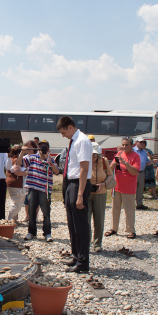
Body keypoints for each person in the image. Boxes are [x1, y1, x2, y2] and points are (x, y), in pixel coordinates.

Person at [57, 116, 92, 272]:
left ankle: (83, 263)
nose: (63, 135)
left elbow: (84, 169)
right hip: (71, 183)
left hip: (79, 184)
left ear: (70, 127)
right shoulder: (74, 141)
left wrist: (80, 194)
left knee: (80, 226)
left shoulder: (82, 141)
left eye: (64, 132)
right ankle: (76, 256)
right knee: (72, 224)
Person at [18, 140, 59, 241]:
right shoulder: (32, 157)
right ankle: (31, 232)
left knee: (46, 212)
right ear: (38, 148)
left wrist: (50, 162)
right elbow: (19, 163)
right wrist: (22, 152)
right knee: (32, 211)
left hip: (45, 190)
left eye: (44, 147)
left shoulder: (51, 159)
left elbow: (57, 171)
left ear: (48, 149)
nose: (42, 149)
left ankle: (47, 233)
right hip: (32, 188)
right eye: (40, 146)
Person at [105, 137, 140, 239]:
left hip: (129, 187)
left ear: (132, 145)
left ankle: (131, 230)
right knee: (115, 209)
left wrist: (125, 163)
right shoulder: (119, 154)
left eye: (126, 145)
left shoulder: (135, 156)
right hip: (117, 186)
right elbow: (110, 169)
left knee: (129, 210)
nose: (124, 147)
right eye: (123, 145)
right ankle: (113, 228)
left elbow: (135, 172)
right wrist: (113, 165)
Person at [88, 142, 113, 252]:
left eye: (95, 155)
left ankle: (98, 244)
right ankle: (86, 242)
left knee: (99, 219)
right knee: (86, 219)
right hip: (87, 193)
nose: (93, 157)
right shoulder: (85, 161)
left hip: (101, 193)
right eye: (91, 154)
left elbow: (110, 175)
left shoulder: (104, 161)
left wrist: (103, 184)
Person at [6, 146, 28, 222]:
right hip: (16, 184)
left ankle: (14, 220)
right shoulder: (16, 160)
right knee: (17, 203)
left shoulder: (10, 159)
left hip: (10, 183)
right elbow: (17, 172)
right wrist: (26, 172)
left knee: (13, 201)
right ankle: (9, 219)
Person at [21, 140, 38, 222]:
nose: (29, 149)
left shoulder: (38, 156)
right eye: (27, 147)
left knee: (36, 199)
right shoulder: (25, 157)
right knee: (27, 199)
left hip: (36, 180)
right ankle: (27, 215)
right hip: (26, 180)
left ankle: (35, 216)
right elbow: (20, 165)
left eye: (30, 147)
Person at [133, 137, 152, 210]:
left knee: (140, 189)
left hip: (141, 173)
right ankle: (131, 203)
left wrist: (153, 162)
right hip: (133, 172)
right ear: (136, 142)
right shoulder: (132, 150)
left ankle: (139, 204)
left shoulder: (144, 152)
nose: (142, 143)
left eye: (143, 142)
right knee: (132, 189)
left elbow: (146, 162)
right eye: (140, 142)